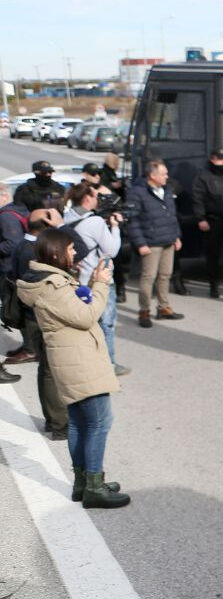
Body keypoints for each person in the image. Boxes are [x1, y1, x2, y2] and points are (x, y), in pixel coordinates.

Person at [17, 228, 129, 508]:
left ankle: (84, 483)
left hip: (71, 359)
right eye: (69, 249)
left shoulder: (49, 282)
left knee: (80, 423)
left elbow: (77, 307)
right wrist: (103, 285)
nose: (74, 252)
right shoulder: (53, 285)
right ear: (55, 253)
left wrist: (91, 283)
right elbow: (86, 315)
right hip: (79, 361)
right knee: (99, 422)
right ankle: (94, 486)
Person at [12, 210, 70, 431]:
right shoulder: (33, 252)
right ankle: (58, 423)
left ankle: (55, 420)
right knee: (50, 371)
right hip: (40, 318)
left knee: (47, 370)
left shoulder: (24, 246)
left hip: (33, 316)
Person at [62, 183, 129, 376]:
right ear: (88, 198)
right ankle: (109, 364)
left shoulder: (66, 218)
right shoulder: (96, 222)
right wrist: (115, 228)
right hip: (98, 278)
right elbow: (112, 250)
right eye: (96, 196)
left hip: (77, 280)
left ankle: (84, 361)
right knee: (105, 322)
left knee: (83, 322)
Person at [126, 159, 185, 329]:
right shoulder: (137, 192)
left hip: (168, 239)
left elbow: (172, 216)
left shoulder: (166, 190)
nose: (167, 177)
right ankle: (144, 310)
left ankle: (164, 307)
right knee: (148, 277)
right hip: (150, 242)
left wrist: (176, 236)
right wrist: (140, 243)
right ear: (152, 175)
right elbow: (132, 220)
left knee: (166, 274)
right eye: (163, 174)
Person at [192, 147, 223, 298]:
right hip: (213, 220)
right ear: (212, 160)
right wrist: (201, 218)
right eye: (220, 160)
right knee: (213, 255)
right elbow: (197, 198)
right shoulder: (203, 176)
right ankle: (214, 286)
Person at [1, 183, 35, 370]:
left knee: (15, 309)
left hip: (9, 269)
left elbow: (12, 244)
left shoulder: (7, 216)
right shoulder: (24, 212)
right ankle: (30, 346)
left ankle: (30, 349)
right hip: (20, 266)